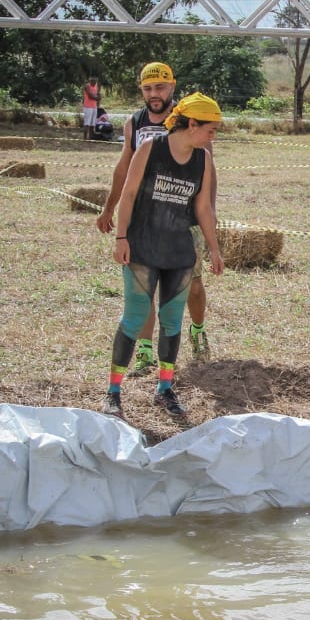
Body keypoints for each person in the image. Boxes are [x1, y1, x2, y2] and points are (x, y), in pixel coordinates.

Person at [101, 92, 225, 421]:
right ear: (192, 124)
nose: (213, 137)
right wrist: (121, 237)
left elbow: (202, 207)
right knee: (134, 317)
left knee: (172, 323)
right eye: (210, 130)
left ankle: (165, 387)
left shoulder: (204, 160)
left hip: (179, 253)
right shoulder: (150, 150)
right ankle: (114, 392)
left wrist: (213, 247)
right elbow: (128, 195)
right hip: (142, 246)